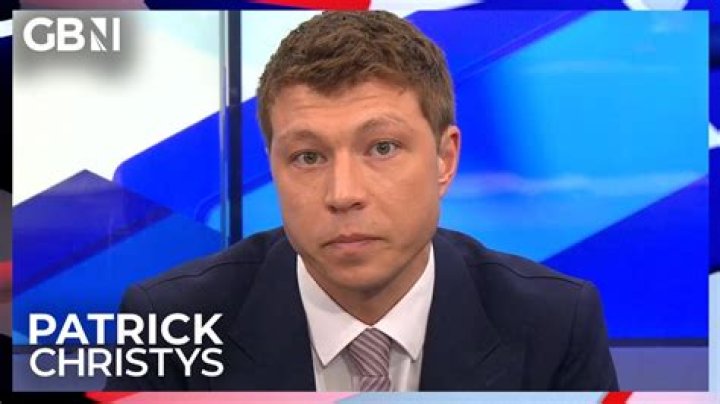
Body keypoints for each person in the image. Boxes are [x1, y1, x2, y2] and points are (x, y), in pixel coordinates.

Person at [106, 10, 618, 392]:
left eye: (382, 148)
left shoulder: (554, 322)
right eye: (308, 156)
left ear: (444, 159)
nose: (343, 194)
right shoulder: (172, 324)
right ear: (274, 167)